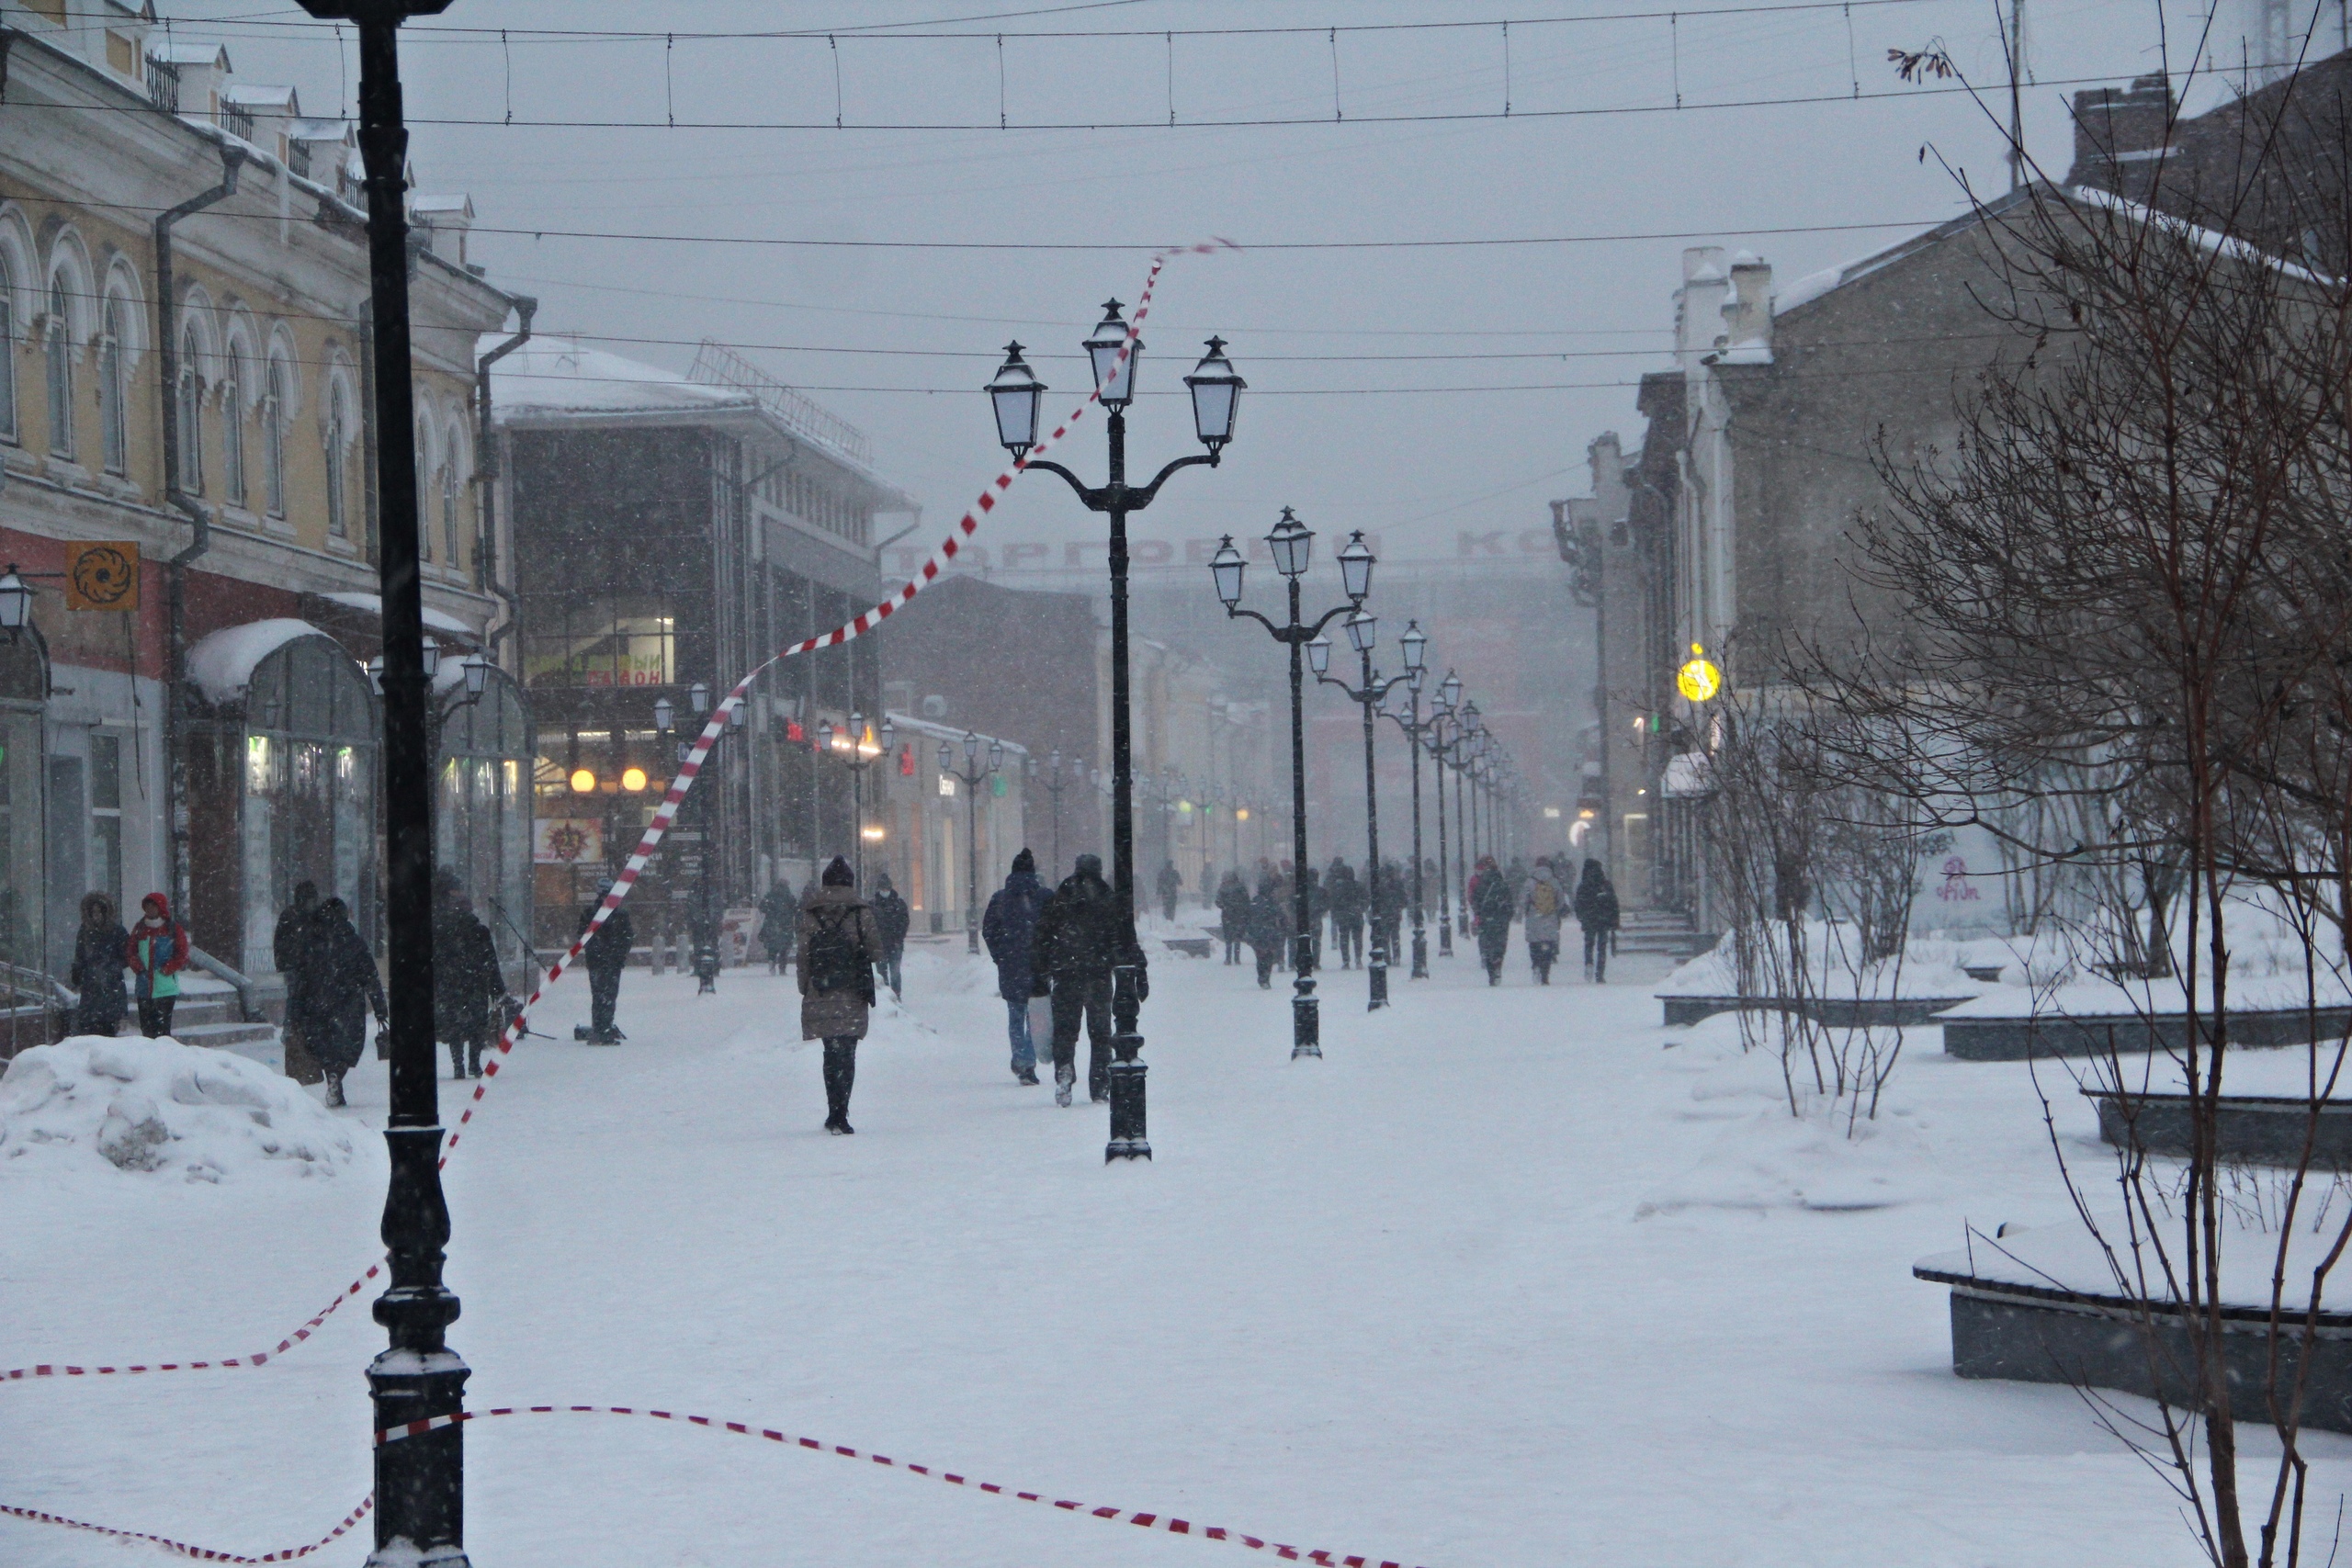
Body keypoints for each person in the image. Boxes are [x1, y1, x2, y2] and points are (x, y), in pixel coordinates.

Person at [1030, 852, 1146, 1107]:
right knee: (1100, 1033)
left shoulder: (1060, 897)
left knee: (1065, 1032)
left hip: (1066, 974)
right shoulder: (1107, 898)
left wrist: (1040, 972)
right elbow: (1123, 937)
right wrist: (1137, 971)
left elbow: (1042, 936)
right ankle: (1100, 1085)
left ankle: (1064, 1072)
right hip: (1098, 974)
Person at [797, 857, 882, 1134]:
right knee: (847, 1053)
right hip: (851, 989)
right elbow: (875, 951)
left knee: (830, 1053)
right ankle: (842, 1113)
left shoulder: (812, 913)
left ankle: (832, 1112)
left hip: (821, 989)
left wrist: (805, 986)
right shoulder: (860, 912)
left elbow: (803, 955)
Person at [298, 897, 385, 1108]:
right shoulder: (353, 941)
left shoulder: (312, 940)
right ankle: (337, 1075)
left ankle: (333, 1077)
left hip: (317, 1002)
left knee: (324, 1045)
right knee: (347, 1046)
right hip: (348, 1003)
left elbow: (301, 976)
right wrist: (380, 1007)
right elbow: (370, 976)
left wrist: (299, 1007)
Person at [981, 850, 1050, 1084]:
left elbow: (989, 930)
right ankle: (1028, 1063)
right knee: (1035, 1014)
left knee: (1015, 1015)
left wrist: (1000, 956)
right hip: (1038, 966)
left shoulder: (1000, 898)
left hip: (1010, 965)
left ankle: (1019, 1058)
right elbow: (1056, 930)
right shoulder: (1044, 897)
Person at [434, 881, 505, 1079]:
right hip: (476, 984)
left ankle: (458, 1065)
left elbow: (437, 961)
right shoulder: (479, 932)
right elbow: (490, 961)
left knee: (455, 1026)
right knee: (476, 1025)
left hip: (452, 985)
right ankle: (474, 1064)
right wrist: (496, 987)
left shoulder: (444, 932)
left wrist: (438, 984)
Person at [273, 881, 322, 1083]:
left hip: (300, 968)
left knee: (295, 1000)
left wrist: (284, 963)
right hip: (301, 968)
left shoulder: (290, 915)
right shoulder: (303, 917)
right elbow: (282, 942)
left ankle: (293, 1030)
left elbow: (280, 942)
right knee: (296, 1000)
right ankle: (294, 1030)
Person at [124, 893, 189, 1038]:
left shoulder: (172, 928)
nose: (149, 909)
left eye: (153, 905)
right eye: (147, 906)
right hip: (144, 988)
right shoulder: (140, 928)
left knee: (163, 1032)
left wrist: (166, 969)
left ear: (160, 907)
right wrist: (139, 969)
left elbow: (182, 954)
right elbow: (130, 952)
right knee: (147, 1030)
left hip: (165, 989)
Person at [579, 877, 636, 1043]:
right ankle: (601, 1029)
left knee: (606, 996)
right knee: (602, 995)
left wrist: (617, 954)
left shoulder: (608, 913)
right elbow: (584, 937)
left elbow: (627, 937)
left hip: (605, 961)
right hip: (601, 961)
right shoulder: (594, 913)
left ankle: (604, 1028)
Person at [69, 892, 130, 1038]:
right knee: (88, 1028)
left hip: (110, 985)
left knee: (107, 1029)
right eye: (93, 912)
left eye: (99, 911)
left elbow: (127, 956)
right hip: (91, 985)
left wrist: (112, 967)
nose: (96, 915)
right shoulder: (85, 931)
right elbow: (80, 955)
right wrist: (77, 972)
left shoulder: (117, 931)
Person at [1469, 855, 1515, 987]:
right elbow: (1509, 903)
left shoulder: (1481, 884)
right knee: (1499, 945)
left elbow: (1475, 901)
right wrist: (1506, 917)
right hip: (1501, 920)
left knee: (1487, 945)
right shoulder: (1503, 884)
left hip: (1485, 919)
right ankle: (1498, 964)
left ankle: (1491, 972)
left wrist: (1479, 915)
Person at [1574, 858, 1622, 983]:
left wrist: (1581, 916)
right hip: (1603, 919)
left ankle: (1589, 963)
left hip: (1589, 918)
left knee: (1589, 943)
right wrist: (1615, 919)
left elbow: (1578, 903)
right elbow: (1614, 902)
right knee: (1602, 946)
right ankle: (1600, 973)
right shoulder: (1605, 884)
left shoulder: (1584, 885)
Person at [1521, 857, 1566, 985]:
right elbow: (1561, 900)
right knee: (1548, 944)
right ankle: (1545, 974)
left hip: (1534, 916)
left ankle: (1535, 965)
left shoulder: (1530, 882)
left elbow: (1523, 900)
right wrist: (1554, 910)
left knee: (1534, 943)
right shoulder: (1554, 881)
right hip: (1550, 916)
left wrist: (1527, 911)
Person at [869, 873, 910, 1001]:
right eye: (882, 889)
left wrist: (898, 937)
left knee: (895, 972)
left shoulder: (898, 904)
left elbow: (904, 922)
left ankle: (896, 994)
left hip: (894, 944)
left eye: (886, 889)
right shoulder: (873, 905)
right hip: (880, 945)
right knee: (882, 973)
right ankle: (886, 997)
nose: (884, 891)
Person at [1245, 873, 1287, 989]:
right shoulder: (1272, 903)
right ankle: (1266, 977)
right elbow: (1281, 916)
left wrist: (1249, 931)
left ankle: (1261, 976)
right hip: (1270, 933)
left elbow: (1247, 917)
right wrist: (1283, 928)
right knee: (1269, 956)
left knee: (1260, 956)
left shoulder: (1254, 902)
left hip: (1257, 933)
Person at [1326, 859, 1365, 969]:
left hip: (1343, 916)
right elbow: (1366, 898)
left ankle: (1346, 960)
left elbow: (1333, 901)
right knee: (1357, 939)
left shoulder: (1338, 887)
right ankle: (1358, 959)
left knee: (1344, 939)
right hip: (1356, 915)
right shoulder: (1358, 885)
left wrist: (1336, 912)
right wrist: (1360, 907)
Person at [757, 879, 797, 975]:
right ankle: (782, 968)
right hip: (785, 925)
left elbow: (761, 907)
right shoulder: (788, 896)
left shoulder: (770, 895)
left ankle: (771, 965)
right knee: (784, 947)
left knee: (772, 947)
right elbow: (795, 908)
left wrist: (771, 913)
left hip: (771, 924)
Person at [1215, 869, 1250, 965]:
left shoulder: (1223, 888)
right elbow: (1247, 901)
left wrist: (1225, 906)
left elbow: (1218, 901)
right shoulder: (1241, 887)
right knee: (1237, 936)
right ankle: (1237, 958)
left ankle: (1228, 958)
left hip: (1227, 914)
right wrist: (1243, 910)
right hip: (1239, 915)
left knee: (1228, 937)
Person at [1155, 860, 1183, 924]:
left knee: (1166, 907)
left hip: (1165, 894)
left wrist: (1158, 893)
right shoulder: (1175, 873)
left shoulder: (1162, 873)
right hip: (1173, 894)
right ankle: (1171, 920)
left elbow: (1159, 884)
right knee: (1172, 908)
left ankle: (1167, 919)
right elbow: (1180, 882)